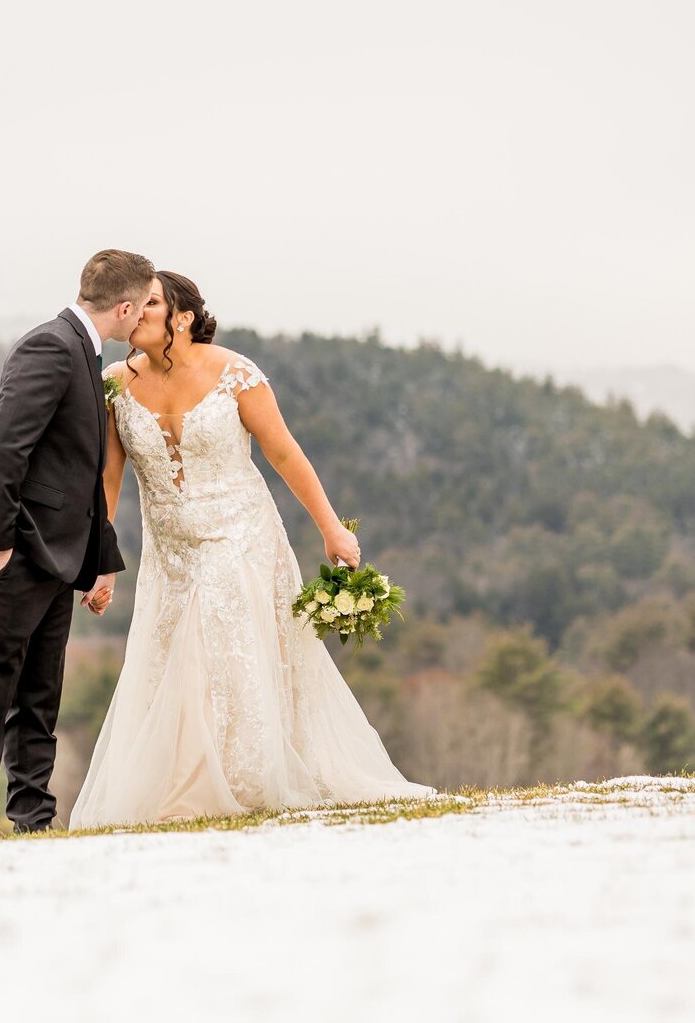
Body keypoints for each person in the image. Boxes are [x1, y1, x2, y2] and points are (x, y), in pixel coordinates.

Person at [70, 271, 434, 828]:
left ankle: (237, 781)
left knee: (212, 642)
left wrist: (333, 529)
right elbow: (109, 479)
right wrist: (102, 563)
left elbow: (285, 454)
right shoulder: (116, 382)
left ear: (182, 318)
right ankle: (181, 784)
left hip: (239, 534)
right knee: (172, 657)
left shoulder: (236, 375)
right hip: (169, 549)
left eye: (148, 305)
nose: (134, 314)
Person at [0, 249, 155, 838]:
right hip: (10, 545)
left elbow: (81, 476)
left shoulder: (85, 352)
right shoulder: (50, 347)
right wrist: (0, 544)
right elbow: (4, 449)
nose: (142, 319)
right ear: (123, 306)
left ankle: (34, 817)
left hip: (55, 552)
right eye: (141, 308)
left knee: (39, 692)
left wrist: (97, 562)